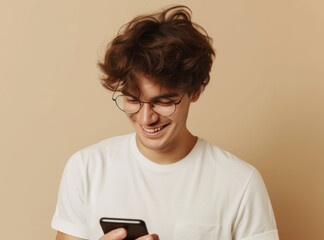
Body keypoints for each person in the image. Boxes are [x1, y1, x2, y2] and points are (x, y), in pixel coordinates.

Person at [52, 5, 279, 240]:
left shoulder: (240, 182)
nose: (146, 118)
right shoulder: (86, 168)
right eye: (132, 100)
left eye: (163, 102)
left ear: (195, 91)